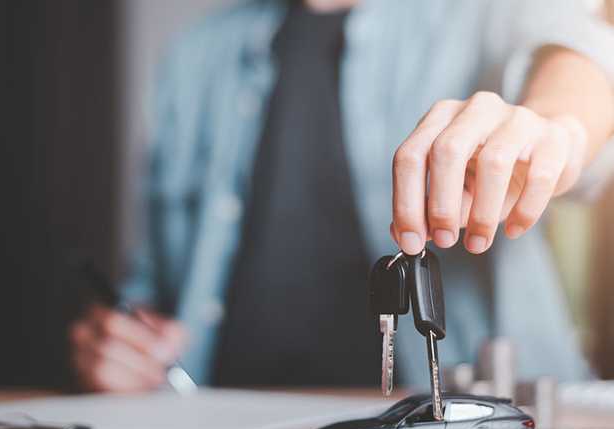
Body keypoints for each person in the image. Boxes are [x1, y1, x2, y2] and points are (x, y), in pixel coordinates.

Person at [70, 0, 614, 392]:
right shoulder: (193, 57)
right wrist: (120, 349)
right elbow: (149, 293)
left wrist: (555, 127)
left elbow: (583, 54)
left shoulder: (485, 13)